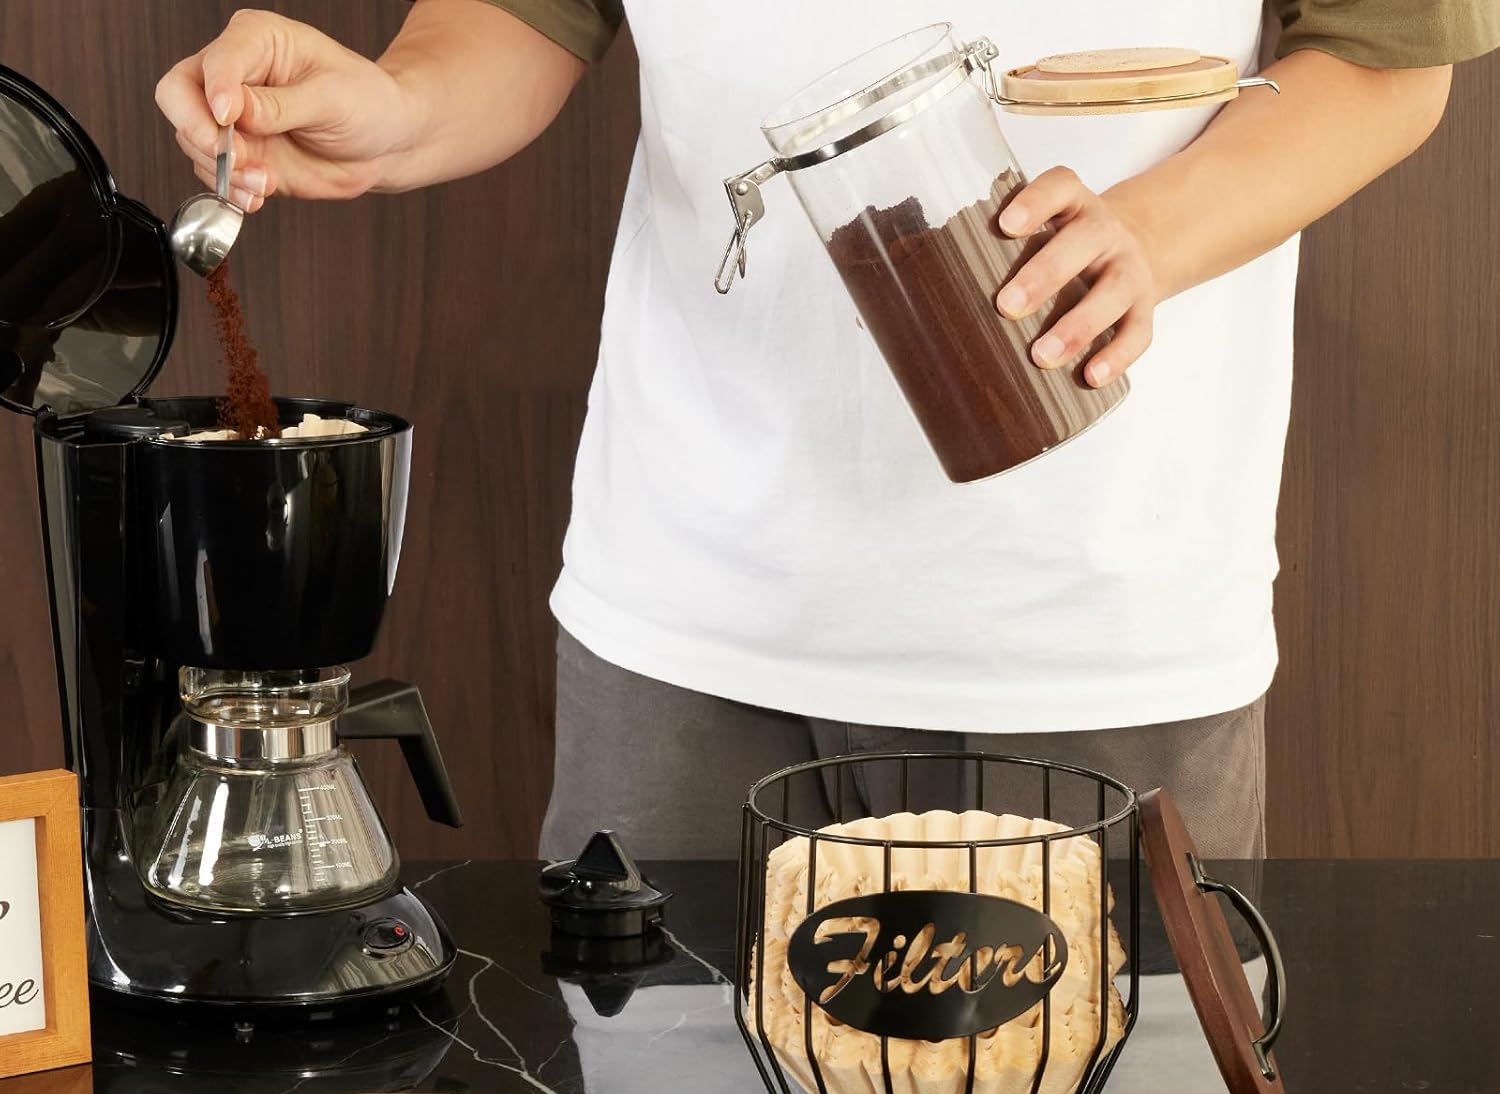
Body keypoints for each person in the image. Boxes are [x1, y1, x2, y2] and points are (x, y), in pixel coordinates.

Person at [158, 1, 1498, 860]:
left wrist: (1151, 233)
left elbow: (1391, 57)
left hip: (1092, 636)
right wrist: (398, 108)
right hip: (688, 621)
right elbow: (526, 16)